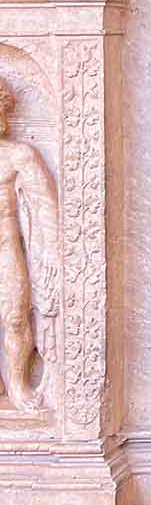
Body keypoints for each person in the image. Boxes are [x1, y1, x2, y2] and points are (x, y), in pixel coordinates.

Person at [0, 79, 54, 411]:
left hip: (5, 251)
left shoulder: (18, 157)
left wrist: (51, 253)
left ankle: (18, 383)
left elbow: (46, 206)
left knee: (16, 317)